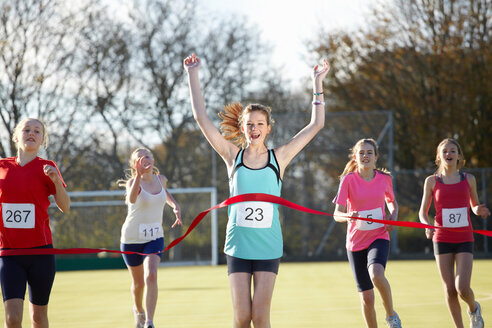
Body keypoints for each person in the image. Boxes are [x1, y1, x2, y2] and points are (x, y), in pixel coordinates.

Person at [184, 53, 330, 328]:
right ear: (242, 127)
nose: (254, 128)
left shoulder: (280, 158)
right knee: (241, 318)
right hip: (238, 246)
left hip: (268, 246)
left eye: (260, 124)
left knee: (261, 318)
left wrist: (317, 83)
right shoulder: (232, 156)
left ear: (268, 128)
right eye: (249, 124)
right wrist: (193, 74)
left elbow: (316, 125)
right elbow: (201, 118)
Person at [0, 118, 70, 328]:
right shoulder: (2, 167)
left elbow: (65, 206)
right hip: (10, 254)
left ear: (42, 139)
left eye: (37, 131)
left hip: (41, 254)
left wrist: (57, 181)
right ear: (16, 136)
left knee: (38, 318)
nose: (31, 133)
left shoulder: (48, 168)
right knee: (12, 319)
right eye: (27, 130)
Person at [418, 138, 489, 328]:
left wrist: (478, 210)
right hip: (441, 239)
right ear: (439, 157)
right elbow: (422, 212)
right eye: (445, 151)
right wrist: (427, 225)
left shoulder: (469, 179)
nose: (449, 154)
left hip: (464, 237)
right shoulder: (431, 181)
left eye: (453, 151)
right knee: (450, 290)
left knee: (462, 287)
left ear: (459, 156)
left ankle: (474, 309)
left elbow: (474, 205)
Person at [333, 138, 402, 328]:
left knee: (377, 274)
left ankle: (391, 316)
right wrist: (348, 216)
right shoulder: (348, 180)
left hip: (379, 236)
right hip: (355, 243)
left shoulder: (384, 179)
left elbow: (392, 203)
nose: (365, 156)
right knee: (367, 298)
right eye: (361, 152)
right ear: (355, 157)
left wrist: (393, 216)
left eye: (369, 152)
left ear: (376, 157)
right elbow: (336, 214)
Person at [119, 147, 182, 328]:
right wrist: (138, 176)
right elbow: (131, 199)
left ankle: (149, 322)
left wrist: (175, 205)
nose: (144, 159)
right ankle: (138, 311)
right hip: (131, 239)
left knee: (151, 276)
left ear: (152, 160)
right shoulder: (133, 183)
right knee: (138, 284)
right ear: (134, 164)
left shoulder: (161, 180)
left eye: (147, 156)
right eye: (139, 158)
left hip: (155, 237)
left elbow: (165, 195)